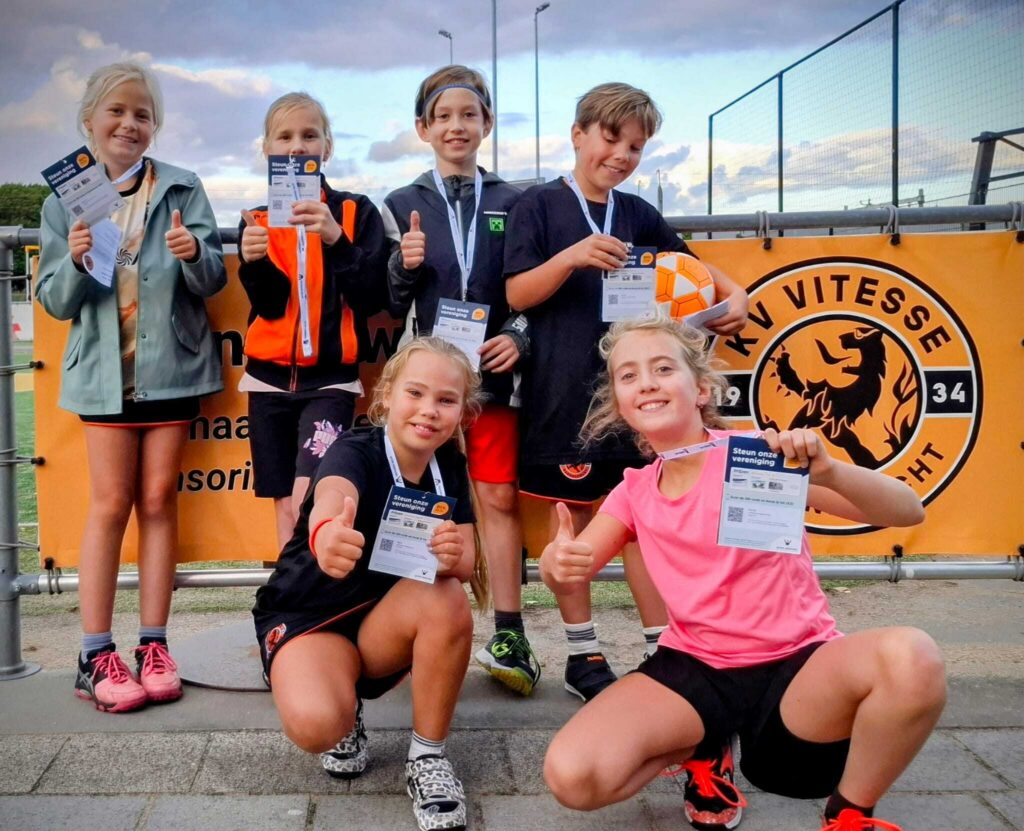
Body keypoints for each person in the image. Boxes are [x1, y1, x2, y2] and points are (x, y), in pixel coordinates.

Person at [541, 317, 946, 831]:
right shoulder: (633, 490)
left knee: (914, 658)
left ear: (700, 388)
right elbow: (571, 571)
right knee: (573, 778)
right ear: (620, 402)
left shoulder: (764, 454)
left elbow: (908, 511)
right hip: (695, 667)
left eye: (663, 368)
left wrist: (829, 471)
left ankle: (849, 817)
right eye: (629, 375)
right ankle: (704, 744)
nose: (646, 382)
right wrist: (558, 564)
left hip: (799, 667)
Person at [504, 82, 749, 701]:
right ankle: (582, 653)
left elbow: (694, 269)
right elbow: (516, 293)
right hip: (565, 394)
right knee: (575, 521)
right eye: (611, 139)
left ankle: (663, 647)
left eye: (635, 147)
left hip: (641, 397)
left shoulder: (638, 213)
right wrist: (571, 257)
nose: (621, 155)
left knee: (648, 522)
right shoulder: (538, 206)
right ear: (578, 134)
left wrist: (735, 294)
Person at [36, 61, 225, 713]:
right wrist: (77, 258)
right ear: (89, 119)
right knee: (110, 503)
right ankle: (94, 653)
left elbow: (213, 279)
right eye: (116, 111)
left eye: (142, 114)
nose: (129, 123)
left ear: (155, 126)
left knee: (157, 500)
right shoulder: (62, 200)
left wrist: (194, 254)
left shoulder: (182, 187)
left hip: (173, 371)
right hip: (103, 378)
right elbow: (54, 300)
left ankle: (154, 645)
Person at [252, 337, 486, 831]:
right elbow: (334, 494)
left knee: (446, 595)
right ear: (386, 396)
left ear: (463, 412)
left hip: (381, 624)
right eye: (415, 393)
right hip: (311, 618)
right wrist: (326, 533)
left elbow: (466, 561)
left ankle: (427, 757)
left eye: (446, 400)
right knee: (318, 726)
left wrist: (452, 555)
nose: (429, 410)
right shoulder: (354, 448)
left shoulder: (449, 465)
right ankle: (341, 703)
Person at [383, 65, 538, 696]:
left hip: (494, 376)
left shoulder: (516, 200)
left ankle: (510, 631)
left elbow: (532, 289)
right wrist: (402, 266)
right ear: (423, 128)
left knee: (497, 497)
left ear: (486, 124)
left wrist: (519, 335)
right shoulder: (401, 203)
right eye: (443, 116)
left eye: (468, 115)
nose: (456, 126)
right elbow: (389, 302)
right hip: (432, 383)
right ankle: (410, 629)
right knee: (421, 498)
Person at [238, 92, 388, 550]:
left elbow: (372, 297)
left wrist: (336, 240)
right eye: (284, 137)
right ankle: (291, 587)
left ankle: (314, 581)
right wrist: (254, 263)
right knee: (284, 502)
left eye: (309, 135)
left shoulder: (355, 211)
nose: (297, 146)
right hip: (266, 381)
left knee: (311, 496)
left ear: (327, 146)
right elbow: (269, 306)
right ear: (267, 148)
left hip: (330, 381)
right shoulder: (256, 218)